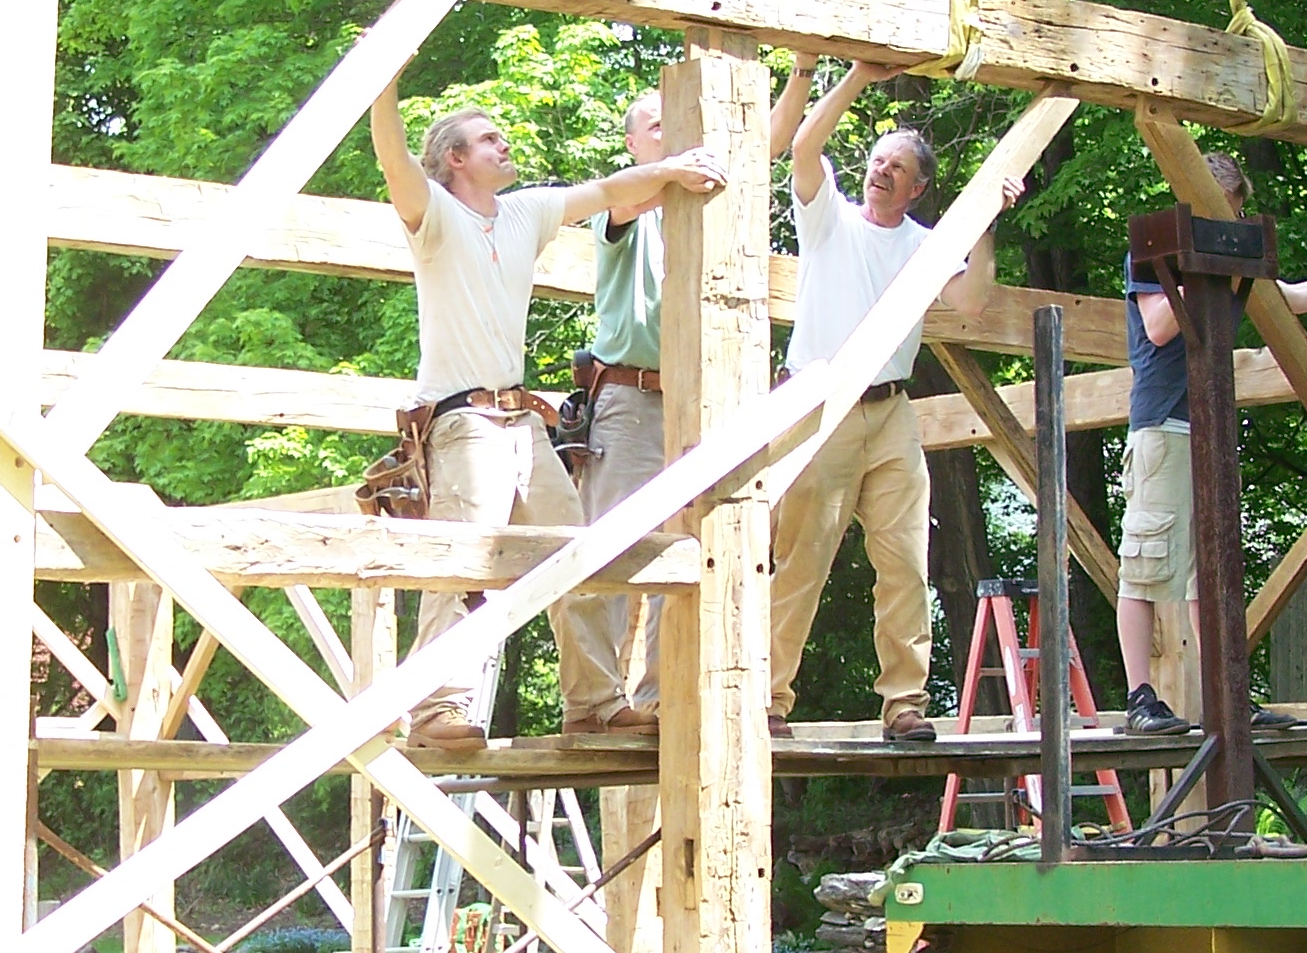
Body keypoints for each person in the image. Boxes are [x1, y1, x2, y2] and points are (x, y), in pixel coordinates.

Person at [371, 88, 725, 745]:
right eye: (488, 139)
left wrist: (671, 171)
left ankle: (593, 703)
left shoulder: (524, 212)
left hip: (520, 419)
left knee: (576, 551)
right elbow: (394, 159)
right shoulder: (434, 214)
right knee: (463, 560)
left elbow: (610, 189)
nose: (503, 144)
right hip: (463, 419)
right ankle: (437, 709)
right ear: (455, 159)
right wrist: (383, 86)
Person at [765, 58, 1017, 743]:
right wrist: (857, 76)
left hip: (890, 413)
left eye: (897, 167)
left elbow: (971, 300)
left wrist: (984, 221)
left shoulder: (926, 246)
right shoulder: (830, 219)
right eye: (878, 161)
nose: (881, 171)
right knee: (802, 559)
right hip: (820, 407)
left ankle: (904, 702)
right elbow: (804, 147)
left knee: (904, 559)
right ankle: (769, 699)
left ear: (918, 188)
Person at [572, 65, 829, 733]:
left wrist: (802, 72)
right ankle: (596, 703)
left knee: (684, 552)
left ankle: (663, 699)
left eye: (675, 122)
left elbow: (766, 143)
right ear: (633, 144)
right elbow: (631, 197)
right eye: (655, 125)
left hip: (700, 403)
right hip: (631, 401)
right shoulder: (624, 210)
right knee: (611, 551)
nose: (669, 133)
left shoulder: (703, 202)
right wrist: (678, 170)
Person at [1117, 153, 1307, 737]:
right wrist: (1210, 264)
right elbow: (1159, 326)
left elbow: (1295, 298)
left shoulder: (1232, 263)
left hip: (1210, 429)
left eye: (1233, 215)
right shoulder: (1155, 251)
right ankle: (1139, 698)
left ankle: (1227, 695)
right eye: (1219, 213)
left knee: (1209, 575)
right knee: (1145, 567)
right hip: (1163, 426)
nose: (1228, 225)